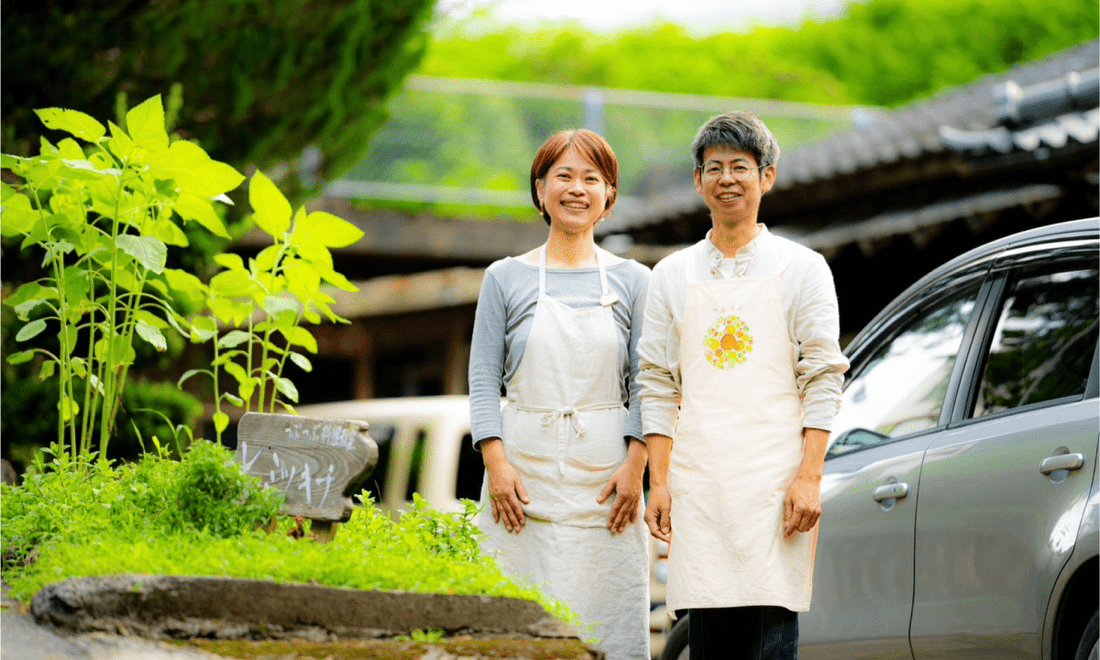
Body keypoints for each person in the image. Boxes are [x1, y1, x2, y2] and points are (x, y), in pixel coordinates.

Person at [638, 111, 849, 659]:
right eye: (713, 168)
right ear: (697, 181)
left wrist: (809, 477)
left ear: (767, 177)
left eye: (740, 167)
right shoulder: (671, 274)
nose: (726, 179)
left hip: (774, 482)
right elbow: (657, 384)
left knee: (770, 639)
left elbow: (824, 375)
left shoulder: (803, 268)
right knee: (709, 640)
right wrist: (658, 483)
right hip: (699, 483)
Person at [468, 129, 652, 660]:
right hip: (521, 481)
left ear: (609, 194)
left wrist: (634, 468)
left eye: (591, 178)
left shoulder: (636, 280)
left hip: (607, 484)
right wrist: (496, 465)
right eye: (564, 176)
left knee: (607, 623)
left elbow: (649, 382)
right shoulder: (504, 278)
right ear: (540, 188)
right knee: (517, 622)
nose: (577, 189)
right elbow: (482, 378)